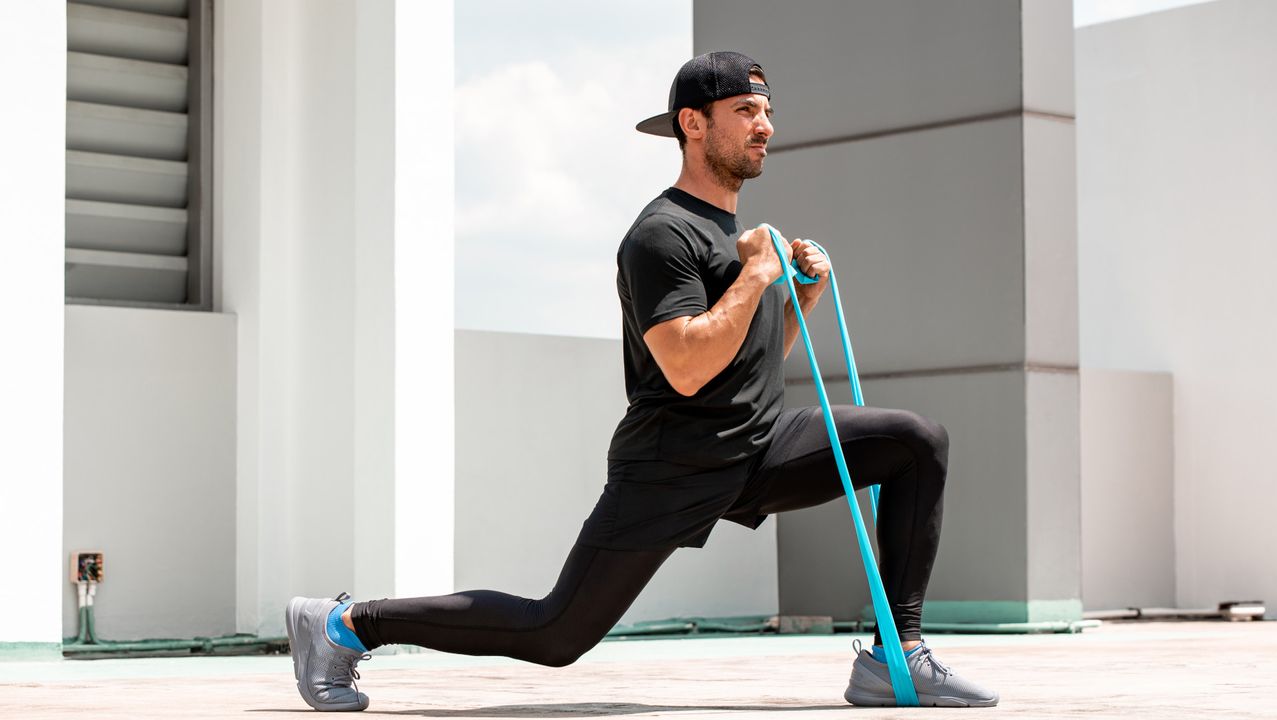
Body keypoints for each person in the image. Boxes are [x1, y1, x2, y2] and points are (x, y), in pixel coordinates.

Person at [286, 51, 998, 712]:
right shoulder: (661, 235)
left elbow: (743, 365)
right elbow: (687, 367)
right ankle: (346, 624)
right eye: (747, 112)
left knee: (914, 442)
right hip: (674, 461)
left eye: (767, 111)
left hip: (753, 446)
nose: (766, 127)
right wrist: (756, 275)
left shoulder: (732, 235)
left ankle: (894, 658)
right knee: (555, 634)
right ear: (695, 124)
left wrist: (800, 302)